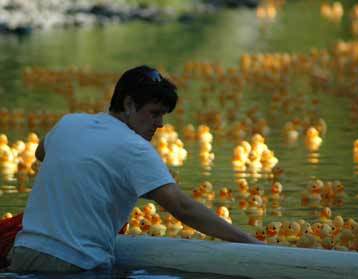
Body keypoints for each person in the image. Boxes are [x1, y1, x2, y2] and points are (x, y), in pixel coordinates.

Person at [7, 65, 261, 273]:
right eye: (154, 113)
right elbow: (182, 208)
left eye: (163, 116)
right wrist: (250, 243)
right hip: (75, 265)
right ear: (128, 104)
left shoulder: (68, 123)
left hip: (22, 254)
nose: (160, 124)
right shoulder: (134, 148)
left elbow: (41, 153)